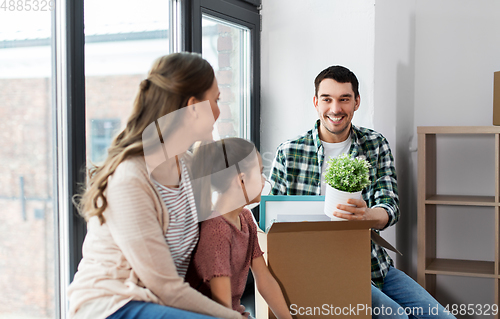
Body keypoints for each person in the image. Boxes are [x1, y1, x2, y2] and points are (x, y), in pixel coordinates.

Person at [68, 52, 246, 319]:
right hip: (112, 305)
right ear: (194, 107)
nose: (221, 110)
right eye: (216, 100)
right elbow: (166, 287)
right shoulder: (130, 179)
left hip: (159, 301)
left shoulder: (186, 167)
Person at [269, 65, 455, 319]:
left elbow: (390, 206)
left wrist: (367, 216)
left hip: (372, 264)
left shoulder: (374, 144)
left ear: (357, 102)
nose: (335, 109)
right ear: (315, 102)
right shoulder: (289, 152)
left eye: (344, 99)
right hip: (317, 269)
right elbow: (271, 220)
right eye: (327, 99)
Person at [186, 138, 292, 319]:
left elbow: (264, 280)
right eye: (260, 173)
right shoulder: (216, 231)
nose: (264, 180)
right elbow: (223, 309)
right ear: (241, 180)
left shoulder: (245, 218)